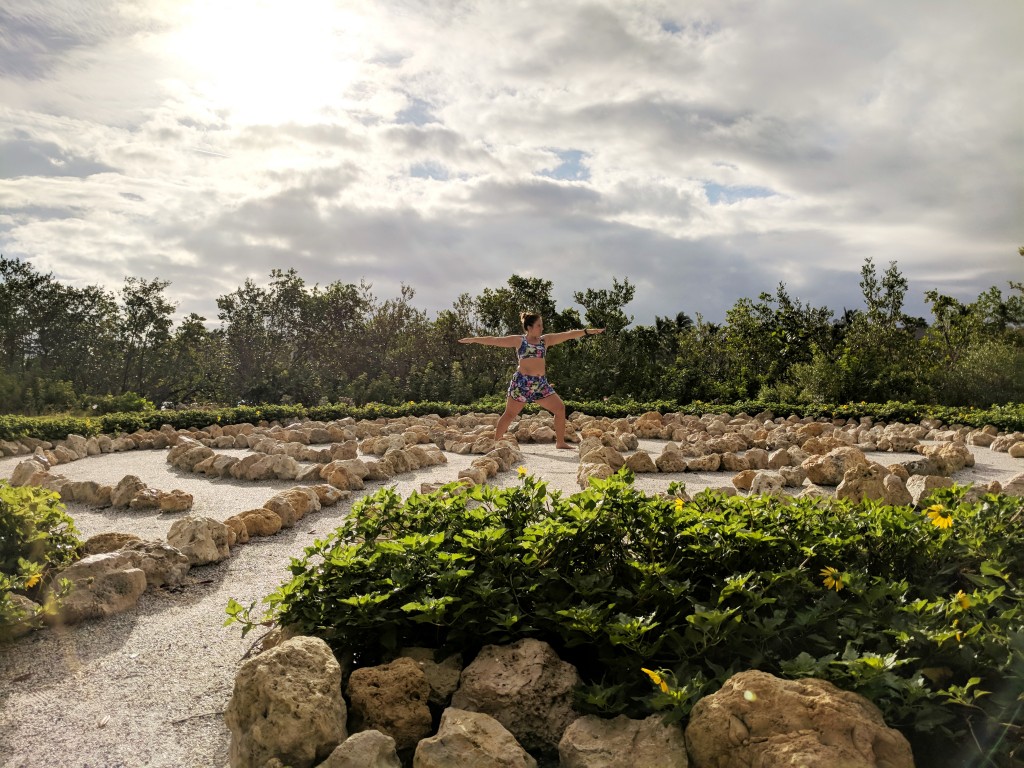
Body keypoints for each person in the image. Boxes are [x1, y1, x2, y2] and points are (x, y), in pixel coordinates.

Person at [459, 313, 605, 449]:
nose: (542, 328)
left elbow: (568, 335)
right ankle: (497, 443)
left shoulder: (544, 340)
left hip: (540, 384)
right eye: (539, 325)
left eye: (542, 325)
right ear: (529, 327)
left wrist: (587, 331)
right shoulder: (519, 340)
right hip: (522, 384)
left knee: (560, 408)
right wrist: (474, 339)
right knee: (509, 414)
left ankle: (560, 442)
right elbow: (495, 340)